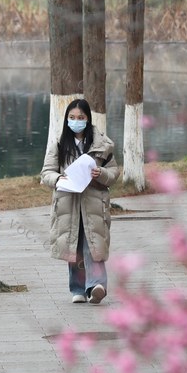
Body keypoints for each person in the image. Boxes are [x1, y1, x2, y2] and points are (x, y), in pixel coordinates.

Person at [40, 99, 120, 304]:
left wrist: (100, 173)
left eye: (81, 118)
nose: (77, 121)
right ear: (67, 120)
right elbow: (46, 173)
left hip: (94, 202)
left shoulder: (102, 145)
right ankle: (78, 288)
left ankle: (97, 285)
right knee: (73, 244)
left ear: (88, 119)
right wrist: (58, 179)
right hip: (68, 203)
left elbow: (114, 173)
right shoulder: (59, 144)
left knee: (94, 243)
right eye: (72, 118)